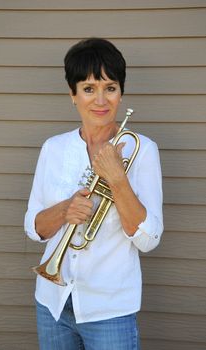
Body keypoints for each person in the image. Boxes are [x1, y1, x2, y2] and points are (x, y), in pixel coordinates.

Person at [24, 38, 163, 350]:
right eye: (88, 88)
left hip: (109, 309)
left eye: (110, 87)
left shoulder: (144, 151)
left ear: (120, 93)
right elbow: (34, 229)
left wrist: (118, 180)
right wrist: (64, 210)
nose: (100, 100)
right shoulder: (53, 148)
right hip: (52, 304)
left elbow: (148, 239)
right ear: (73, 95)